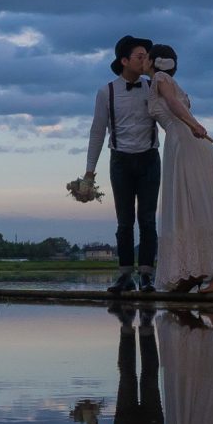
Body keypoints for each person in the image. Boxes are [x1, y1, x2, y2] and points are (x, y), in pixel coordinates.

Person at [148, 44, 213, 297]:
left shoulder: (160, 79)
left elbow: (173, 103)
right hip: (182, 142)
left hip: (186, 140)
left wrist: (194, 124)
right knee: (190, 206)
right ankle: (191, 270)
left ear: (154, 62)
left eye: (146, 57)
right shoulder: (166, 82)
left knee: (194, 205)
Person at [83, 35, 159, 296]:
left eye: (146, 56)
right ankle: (125, 274)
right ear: (124, 60)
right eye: (140, 56)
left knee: (147, 220)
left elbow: (172, 115)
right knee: (124, 221)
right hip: (120, 160)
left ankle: (147, 275)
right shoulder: (107, 91)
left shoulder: (154, 86)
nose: (145, 60)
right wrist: (89, 173)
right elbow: (97, 132)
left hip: (150, 158)